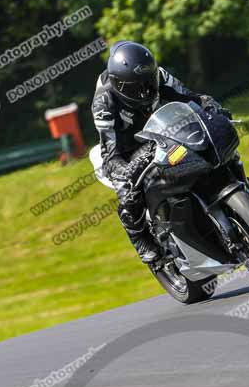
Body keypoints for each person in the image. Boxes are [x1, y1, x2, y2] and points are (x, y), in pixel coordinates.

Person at [91, 41, 226, 264]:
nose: (144, 90)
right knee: (129, 191)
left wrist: (209, 104)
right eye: (135, 86)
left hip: (163, 131)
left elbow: (190, 98)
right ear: (117, 83)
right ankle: (140, 238)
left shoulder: (161, 76)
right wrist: (126, 169)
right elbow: (110, 153)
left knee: (212, 144)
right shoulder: (104, 103)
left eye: (148, 81)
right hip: (127, 151)